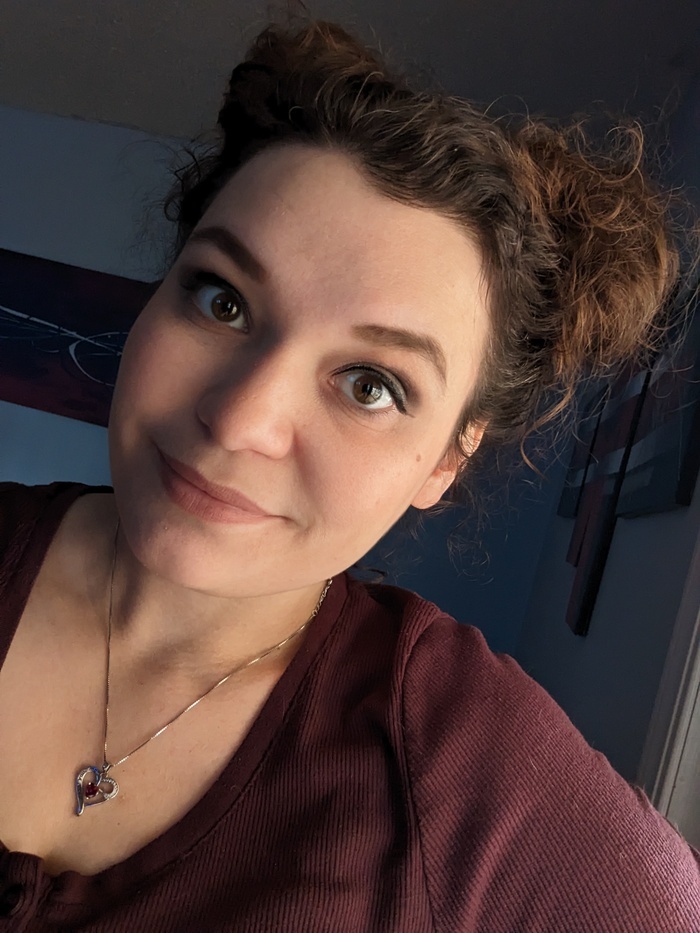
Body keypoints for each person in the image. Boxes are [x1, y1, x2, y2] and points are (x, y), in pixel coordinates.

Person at [0, 18, 698, 932]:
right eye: (223, 300)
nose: (242, 419)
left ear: (446, 458)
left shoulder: (460, 770)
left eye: (371, 384)